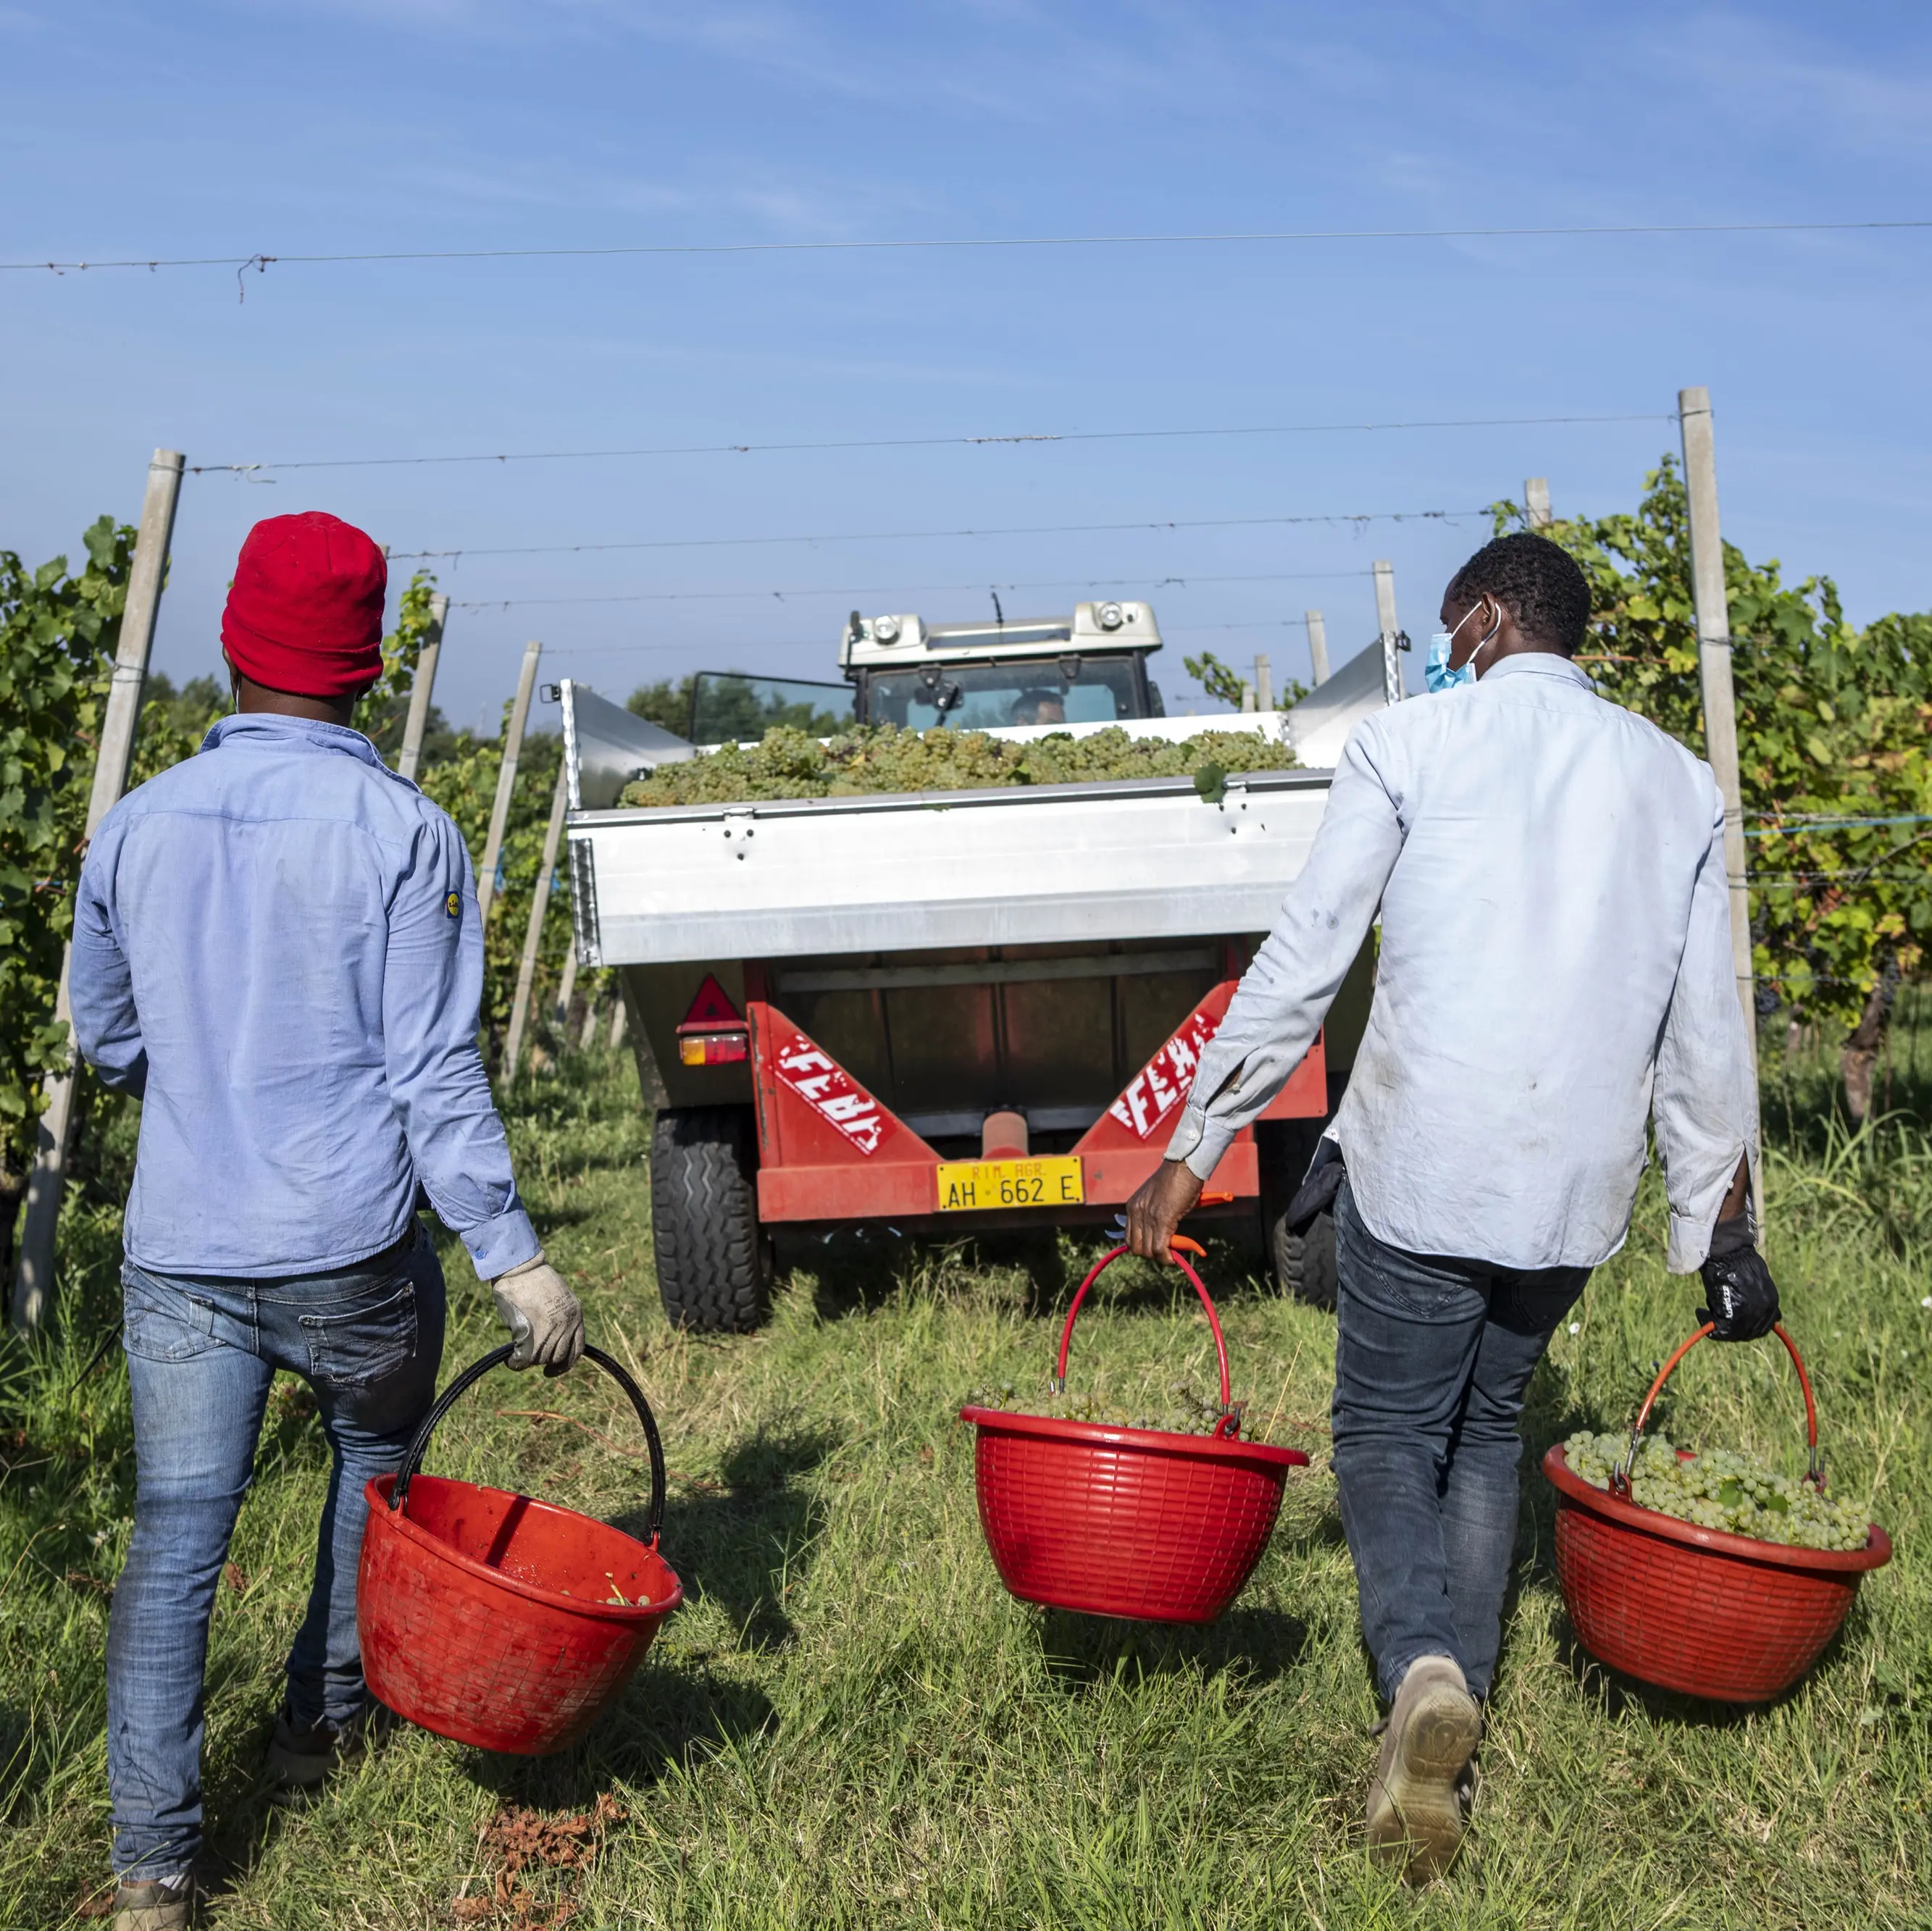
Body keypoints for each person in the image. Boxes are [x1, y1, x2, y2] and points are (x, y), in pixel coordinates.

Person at [1124, 532, 1773, 1882]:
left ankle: (1420, 1669)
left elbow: (1305, 959)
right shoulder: (1677, 780)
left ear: (1483, 618)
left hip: (1423, 1164)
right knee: (1484, 1435)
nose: (1439, 649)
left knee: (1381, 1435)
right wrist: (1718, 1226)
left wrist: (1193, 1147)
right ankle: (1448, 1740)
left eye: (1445, 625)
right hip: (1571, 1191)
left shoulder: (1406, 747)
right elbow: (1708, 1029)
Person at [70, 512, 587, 1931]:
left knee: (177, 1540)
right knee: (373, 1474)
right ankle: (319, 1724)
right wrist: (513, 1256)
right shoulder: (406, 835)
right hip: (351, 1250)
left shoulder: (136, 824)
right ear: (367, 670)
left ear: (233, 647)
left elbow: (106, 1040)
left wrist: (201, 1073)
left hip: (181, 1249)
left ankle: (153, 1873)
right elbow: (431, 1071)